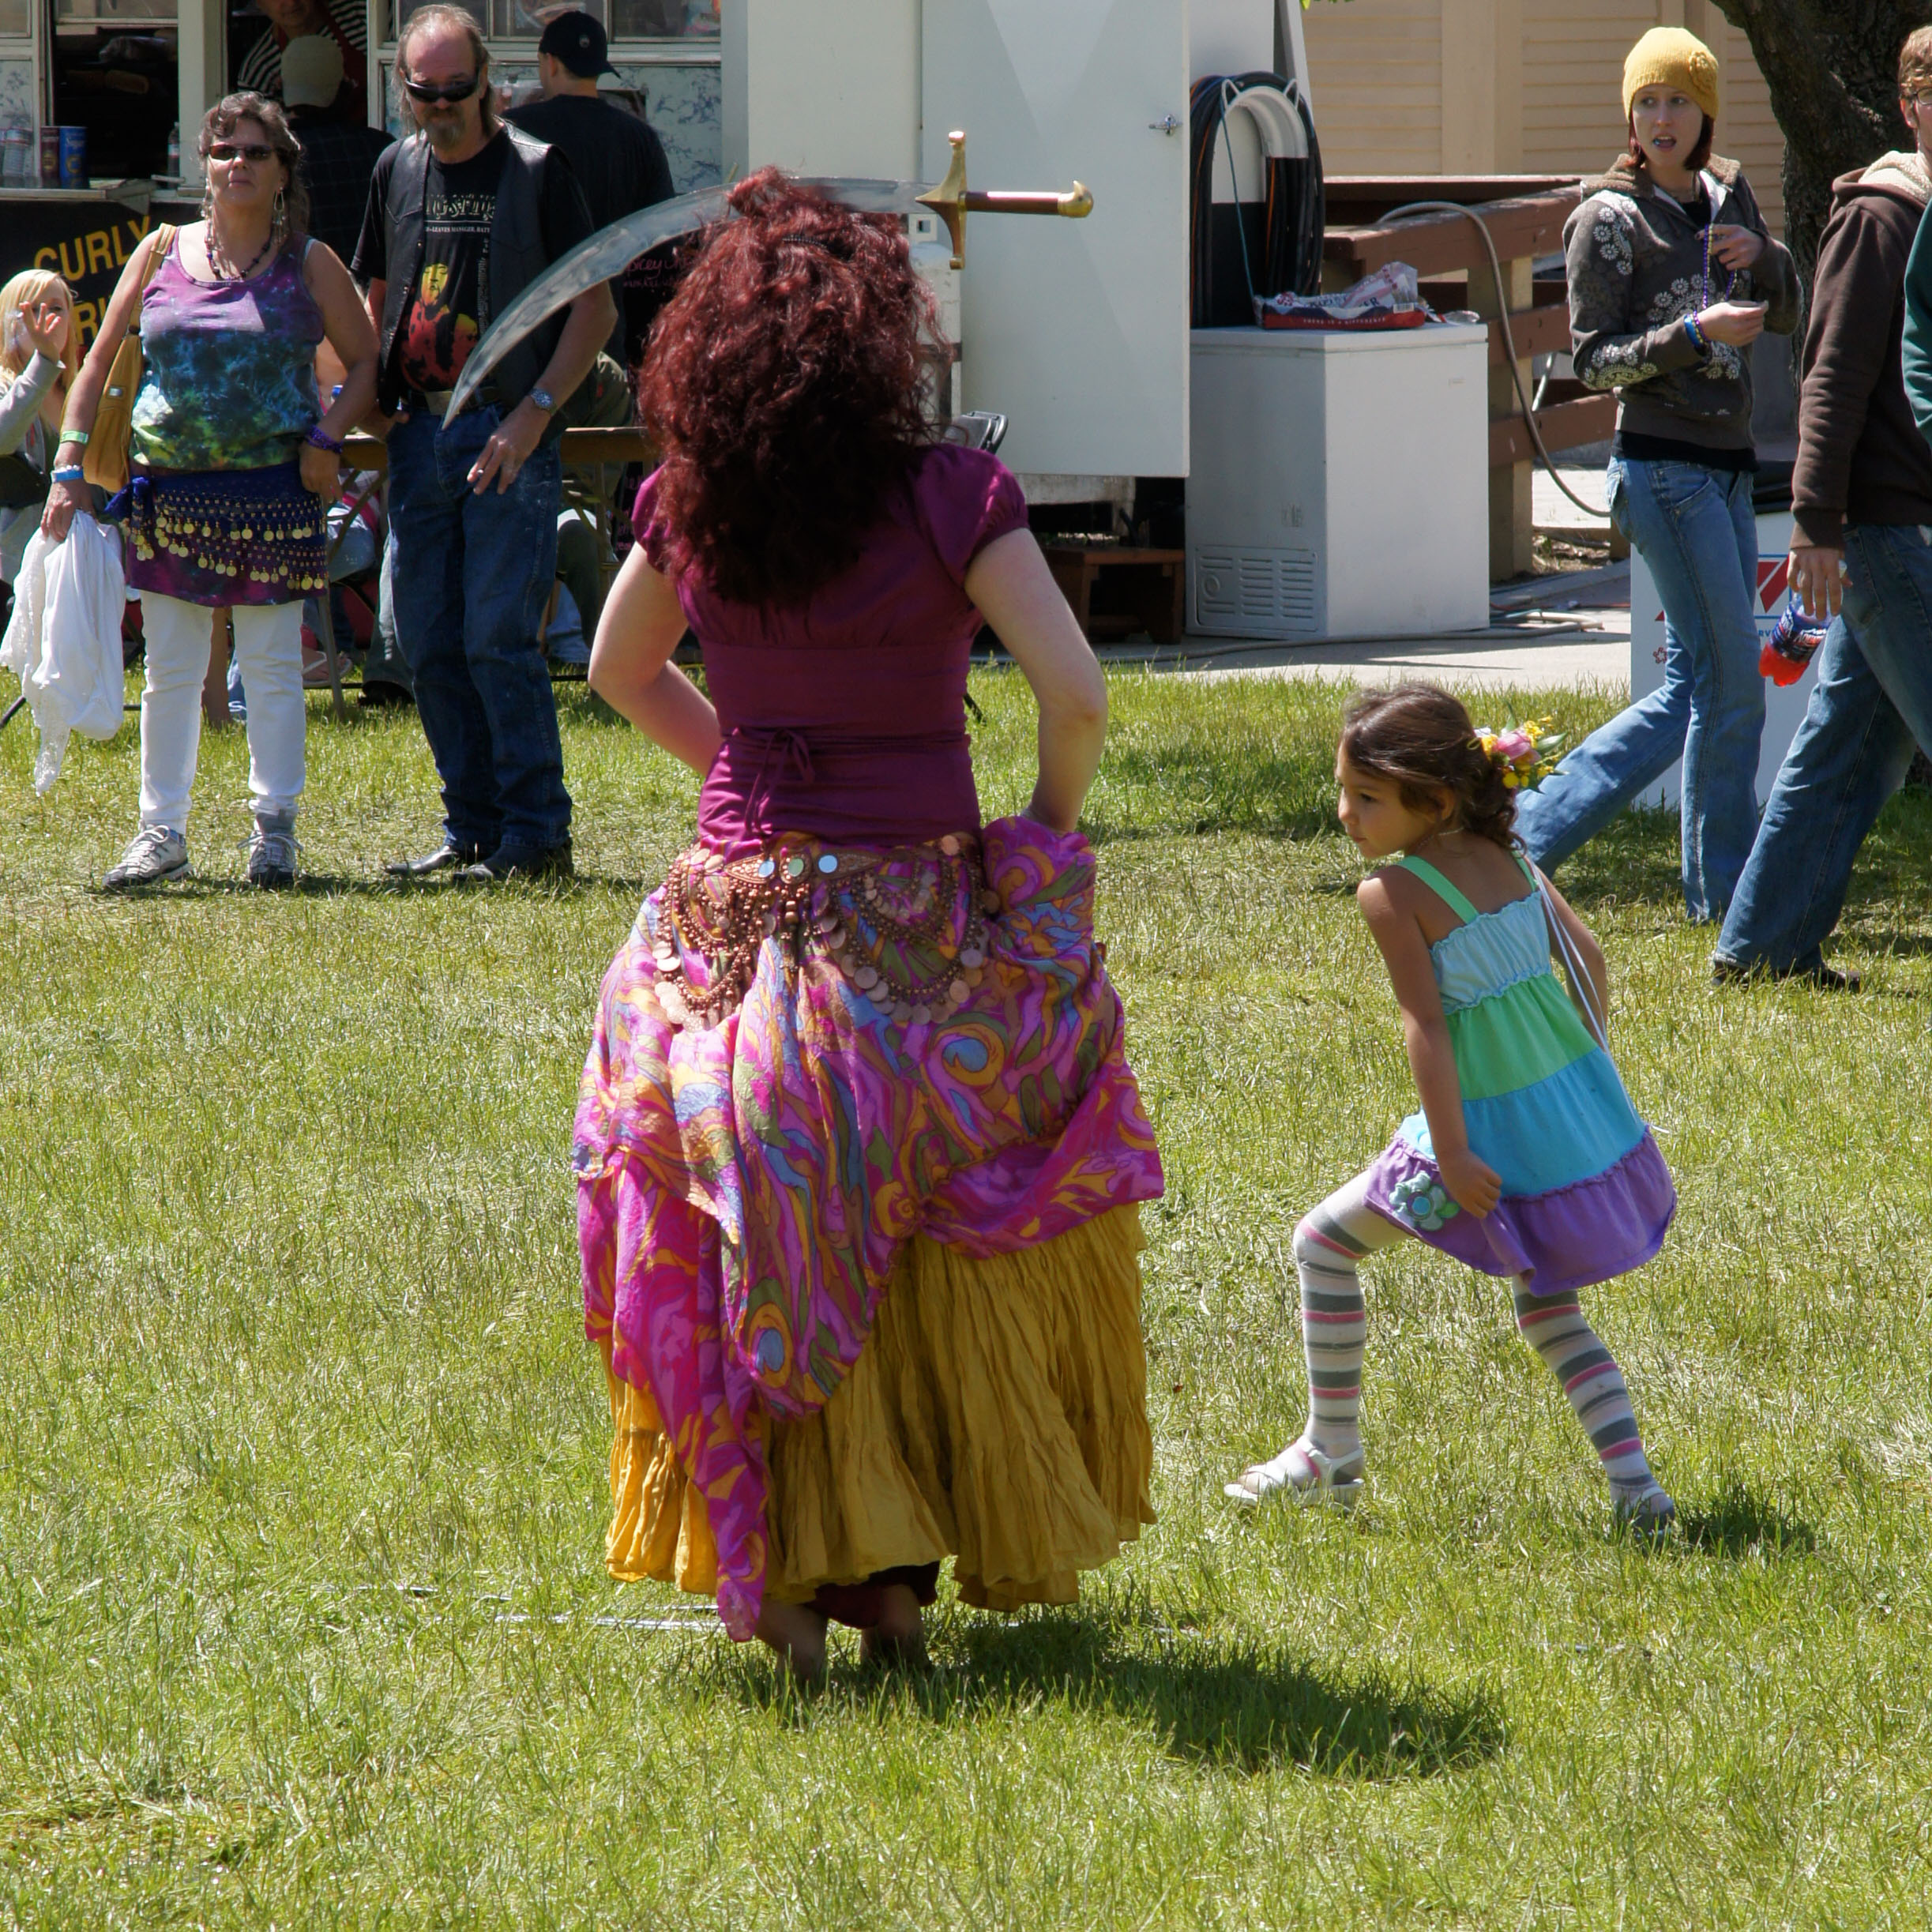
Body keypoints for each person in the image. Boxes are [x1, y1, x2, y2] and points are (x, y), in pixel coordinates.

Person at [575, 171, 1165, 1678]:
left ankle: (784, 1580)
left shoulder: (692, 498)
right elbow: (1076, 693)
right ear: (882, 340)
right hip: (915, 923)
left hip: (721, 934)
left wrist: (741, 776)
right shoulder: (953, 495)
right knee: (917, 1231)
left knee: (748, 1231)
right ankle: (891, 1581)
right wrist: (1040, 833)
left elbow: (618, 672)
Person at [1227, 686, 1678, 1531]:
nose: (1345, 814)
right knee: (1549, 1307)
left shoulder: (1391, 892)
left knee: (1322, 1245)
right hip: (1562, 1125)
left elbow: (1426, 1025)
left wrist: (1454, 1150)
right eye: (1343, 790)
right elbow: (1588, 960)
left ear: (1434, 801)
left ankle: (1330, 1451)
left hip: (1473, 1143)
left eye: (1368, 797)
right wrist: (1579, 1077)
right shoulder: (1511, 855)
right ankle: (1637, 1491)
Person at [41, 93, 378, 890]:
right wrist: (68, 464)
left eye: (257, 152)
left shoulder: (309, 261)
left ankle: (275, 833)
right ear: (205, 165)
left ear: (283, 169)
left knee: (271, 666)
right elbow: (97, 361)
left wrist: (329, 439)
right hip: (170, 492)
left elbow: (367, 361)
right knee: (171, 670)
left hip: (274, 490)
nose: (239, 164)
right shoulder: (160, 251)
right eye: (225, 150)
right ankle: (160, 832)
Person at [1513, 27, 1799, 924]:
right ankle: (1729, 905)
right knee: (1732, 687)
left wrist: (1768, 260)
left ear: (1706, 113)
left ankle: (1517, 840)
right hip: (1662, 470)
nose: (1662, 118)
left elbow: (1785, 313)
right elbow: (1591, 362)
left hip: (1728, 469)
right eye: (1647, 102)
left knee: (1692, 691)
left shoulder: (1727, 194)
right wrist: (1691, 335)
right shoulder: (1608, 218)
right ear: (1629, 116)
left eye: (1679, 101)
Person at [353, 3, 614, 884]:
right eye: (423, 92)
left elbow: (595, 309)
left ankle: (536, 836)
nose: (440, 106)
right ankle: (471, 829)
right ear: (404, 90)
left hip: (506, 428)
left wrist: (534, 413)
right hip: (417, 429)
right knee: (427, 642)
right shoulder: (396, 168)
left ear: (489, 82)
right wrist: (371, 401)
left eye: (455, 89)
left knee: (497, 637)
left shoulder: (538, 171)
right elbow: (375, 294)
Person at [1714, 30, 1932, 992]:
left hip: (1909, 523)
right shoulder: (1881, 218)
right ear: (1910, 109)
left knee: (1851, 746)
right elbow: (1830, 375)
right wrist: (1815, 524)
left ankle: (1759, 947)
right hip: (1884, 525)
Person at [507, 10, 675, 363]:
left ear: (550, 63)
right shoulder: (639, 137)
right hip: (607, 338)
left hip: (523, 337)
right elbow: (660, 245)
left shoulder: (512, 132)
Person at [281, 34, 392, 269]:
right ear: (344, 86)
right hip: (371, 287)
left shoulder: (276, 156)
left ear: (280, 86)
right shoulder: (380, 149)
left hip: (302, 286)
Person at [1, 271, 79, 590]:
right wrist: (44, 360)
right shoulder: (5, 386)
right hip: (16, 577)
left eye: (57, 308)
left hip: (80, 571)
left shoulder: (81, 392)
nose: (47, 318)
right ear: (10, 323)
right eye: (34, 309)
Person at [236, 0, 369, 127]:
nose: (292, 2)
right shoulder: (258, 71)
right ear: (259, 3)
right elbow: (265, 135)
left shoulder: (361, 13)